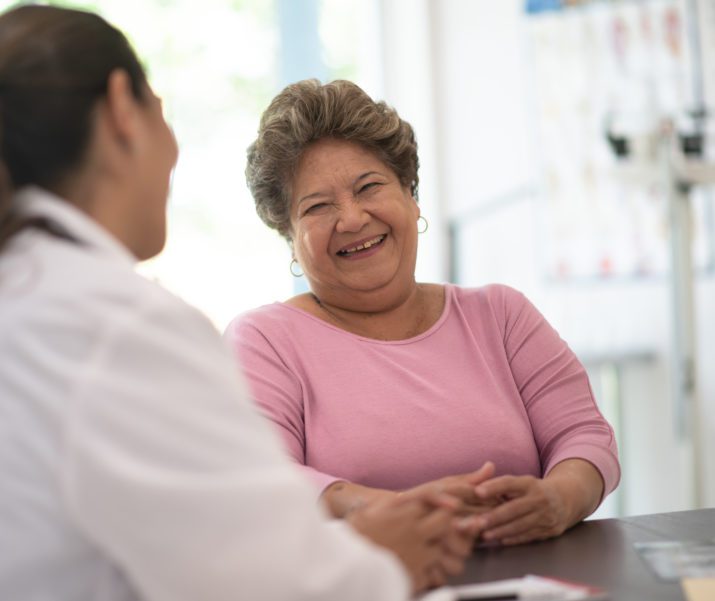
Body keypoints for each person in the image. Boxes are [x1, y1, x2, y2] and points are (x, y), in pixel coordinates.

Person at [0, 7, 485, 601]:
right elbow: (259, 579)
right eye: (162, 110)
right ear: (124, 108)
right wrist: (383, 557)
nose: (174, 153)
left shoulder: (30, 298)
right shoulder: (116, 325)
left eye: (370, 187)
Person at [225, 79, 621, 547]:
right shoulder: (264, 340)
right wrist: (379, 511)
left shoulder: (501, 315)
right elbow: (260, 478)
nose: (351, 219)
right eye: (317, 207)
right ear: (290, 237)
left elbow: (584, 435)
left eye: (368, 187)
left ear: (411, 197)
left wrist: (559, 499)